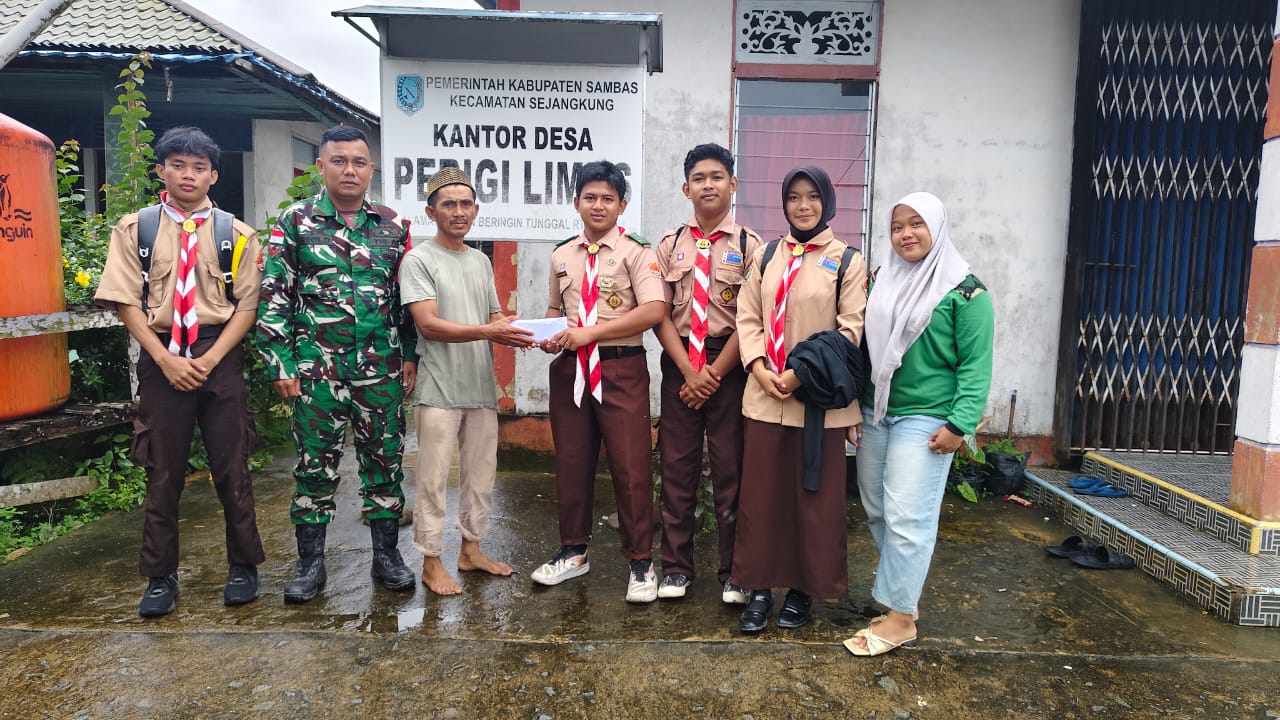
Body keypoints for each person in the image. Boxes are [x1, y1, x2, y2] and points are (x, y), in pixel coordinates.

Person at [95, 126, 265, 617]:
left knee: (232, 465)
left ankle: (244, 566)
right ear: (161, 171)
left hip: (218, 352)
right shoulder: (136, 230)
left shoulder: (237, 234)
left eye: (199, 167)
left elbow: (247, 307)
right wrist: (166, 359)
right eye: (178, 165)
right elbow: (126, 302)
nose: (188, 175)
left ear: (214, 175)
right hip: (161, 352)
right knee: (163, 469)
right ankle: (160, 576)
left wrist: (209, 359)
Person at [257, 125, 419, 603]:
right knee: (314, 467)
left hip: (381, 370)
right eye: (339, 161)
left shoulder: (392, 227)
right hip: (316, 373)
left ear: (371, 169)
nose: (350, 170)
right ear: (321, 166)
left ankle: (387, 556)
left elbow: (407, 299)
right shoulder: (295, 222)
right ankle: (310, 564)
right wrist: (281, 362)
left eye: (359, 162)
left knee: (385, 462)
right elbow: (275, 296)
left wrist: (410, 355)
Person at [845, 192, 994, 656]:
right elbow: (865, 351)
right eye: (897, 226)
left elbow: (976, 366)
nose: (906, 234)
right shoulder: (881, 279)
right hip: (876, 411)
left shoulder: (966, 292)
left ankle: (901, 619)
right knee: (877, 508)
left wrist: (959, 425)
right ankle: (903, 600)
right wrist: (853, 406)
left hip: (928, 417)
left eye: (916, 224)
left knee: (909, 515)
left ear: (937, 227)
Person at [732, 165, 867, 634]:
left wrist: (797, 375)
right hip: (764, 396)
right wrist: (757, 367)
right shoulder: (767, 255)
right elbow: (747, 316)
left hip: (817, 402)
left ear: (827, 201)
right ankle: (759, 589)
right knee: (761, 499)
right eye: (793, 197)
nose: (803, 205)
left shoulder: (847, 260)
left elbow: (850, 330)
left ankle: (802, 591)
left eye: (812, 196)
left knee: (814, 502)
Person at [529, 160, 668, 603]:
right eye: (590, 197)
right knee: (571, 462)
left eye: (608, 198)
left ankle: (641, 562)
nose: (598, 205)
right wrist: (549, 336)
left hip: (619, 368)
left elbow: (654, 310)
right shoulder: (562, 254)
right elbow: (555, 310)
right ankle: (573, 551)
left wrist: (590, 332)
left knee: (631, 467)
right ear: (576, 202)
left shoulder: (637, 252)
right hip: (570, 368)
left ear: (622, 205)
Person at [398, 166, 534, 594]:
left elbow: (493, 315)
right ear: (431, 212)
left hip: (479, 386)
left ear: (476, 209)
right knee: (433, 479)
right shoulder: (419, 260)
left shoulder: (479, 260)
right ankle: (431, 562)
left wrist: (520, 331)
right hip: (439, 387)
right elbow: (428, 324)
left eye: (466, 204)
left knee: (481, 476)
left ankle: (471, 551)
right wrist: (490, 330)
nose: (459, 212)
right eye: (449, 204)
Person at [652, 144, 762, 603]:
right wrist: (688, 371)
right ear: (686, 188)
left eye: (717, 177)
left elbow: (751, 318)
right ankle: (676, 568)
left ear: (733, 184)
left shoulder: (751, 246)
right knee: (676, 469)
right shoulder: (669, 244)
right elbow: (658, 313)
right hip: (679, 362)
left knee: (731, 470)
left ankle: (734, 573)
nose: (708, 185)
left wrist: (712, 374)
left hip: (729, 365)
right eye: (699, 178)